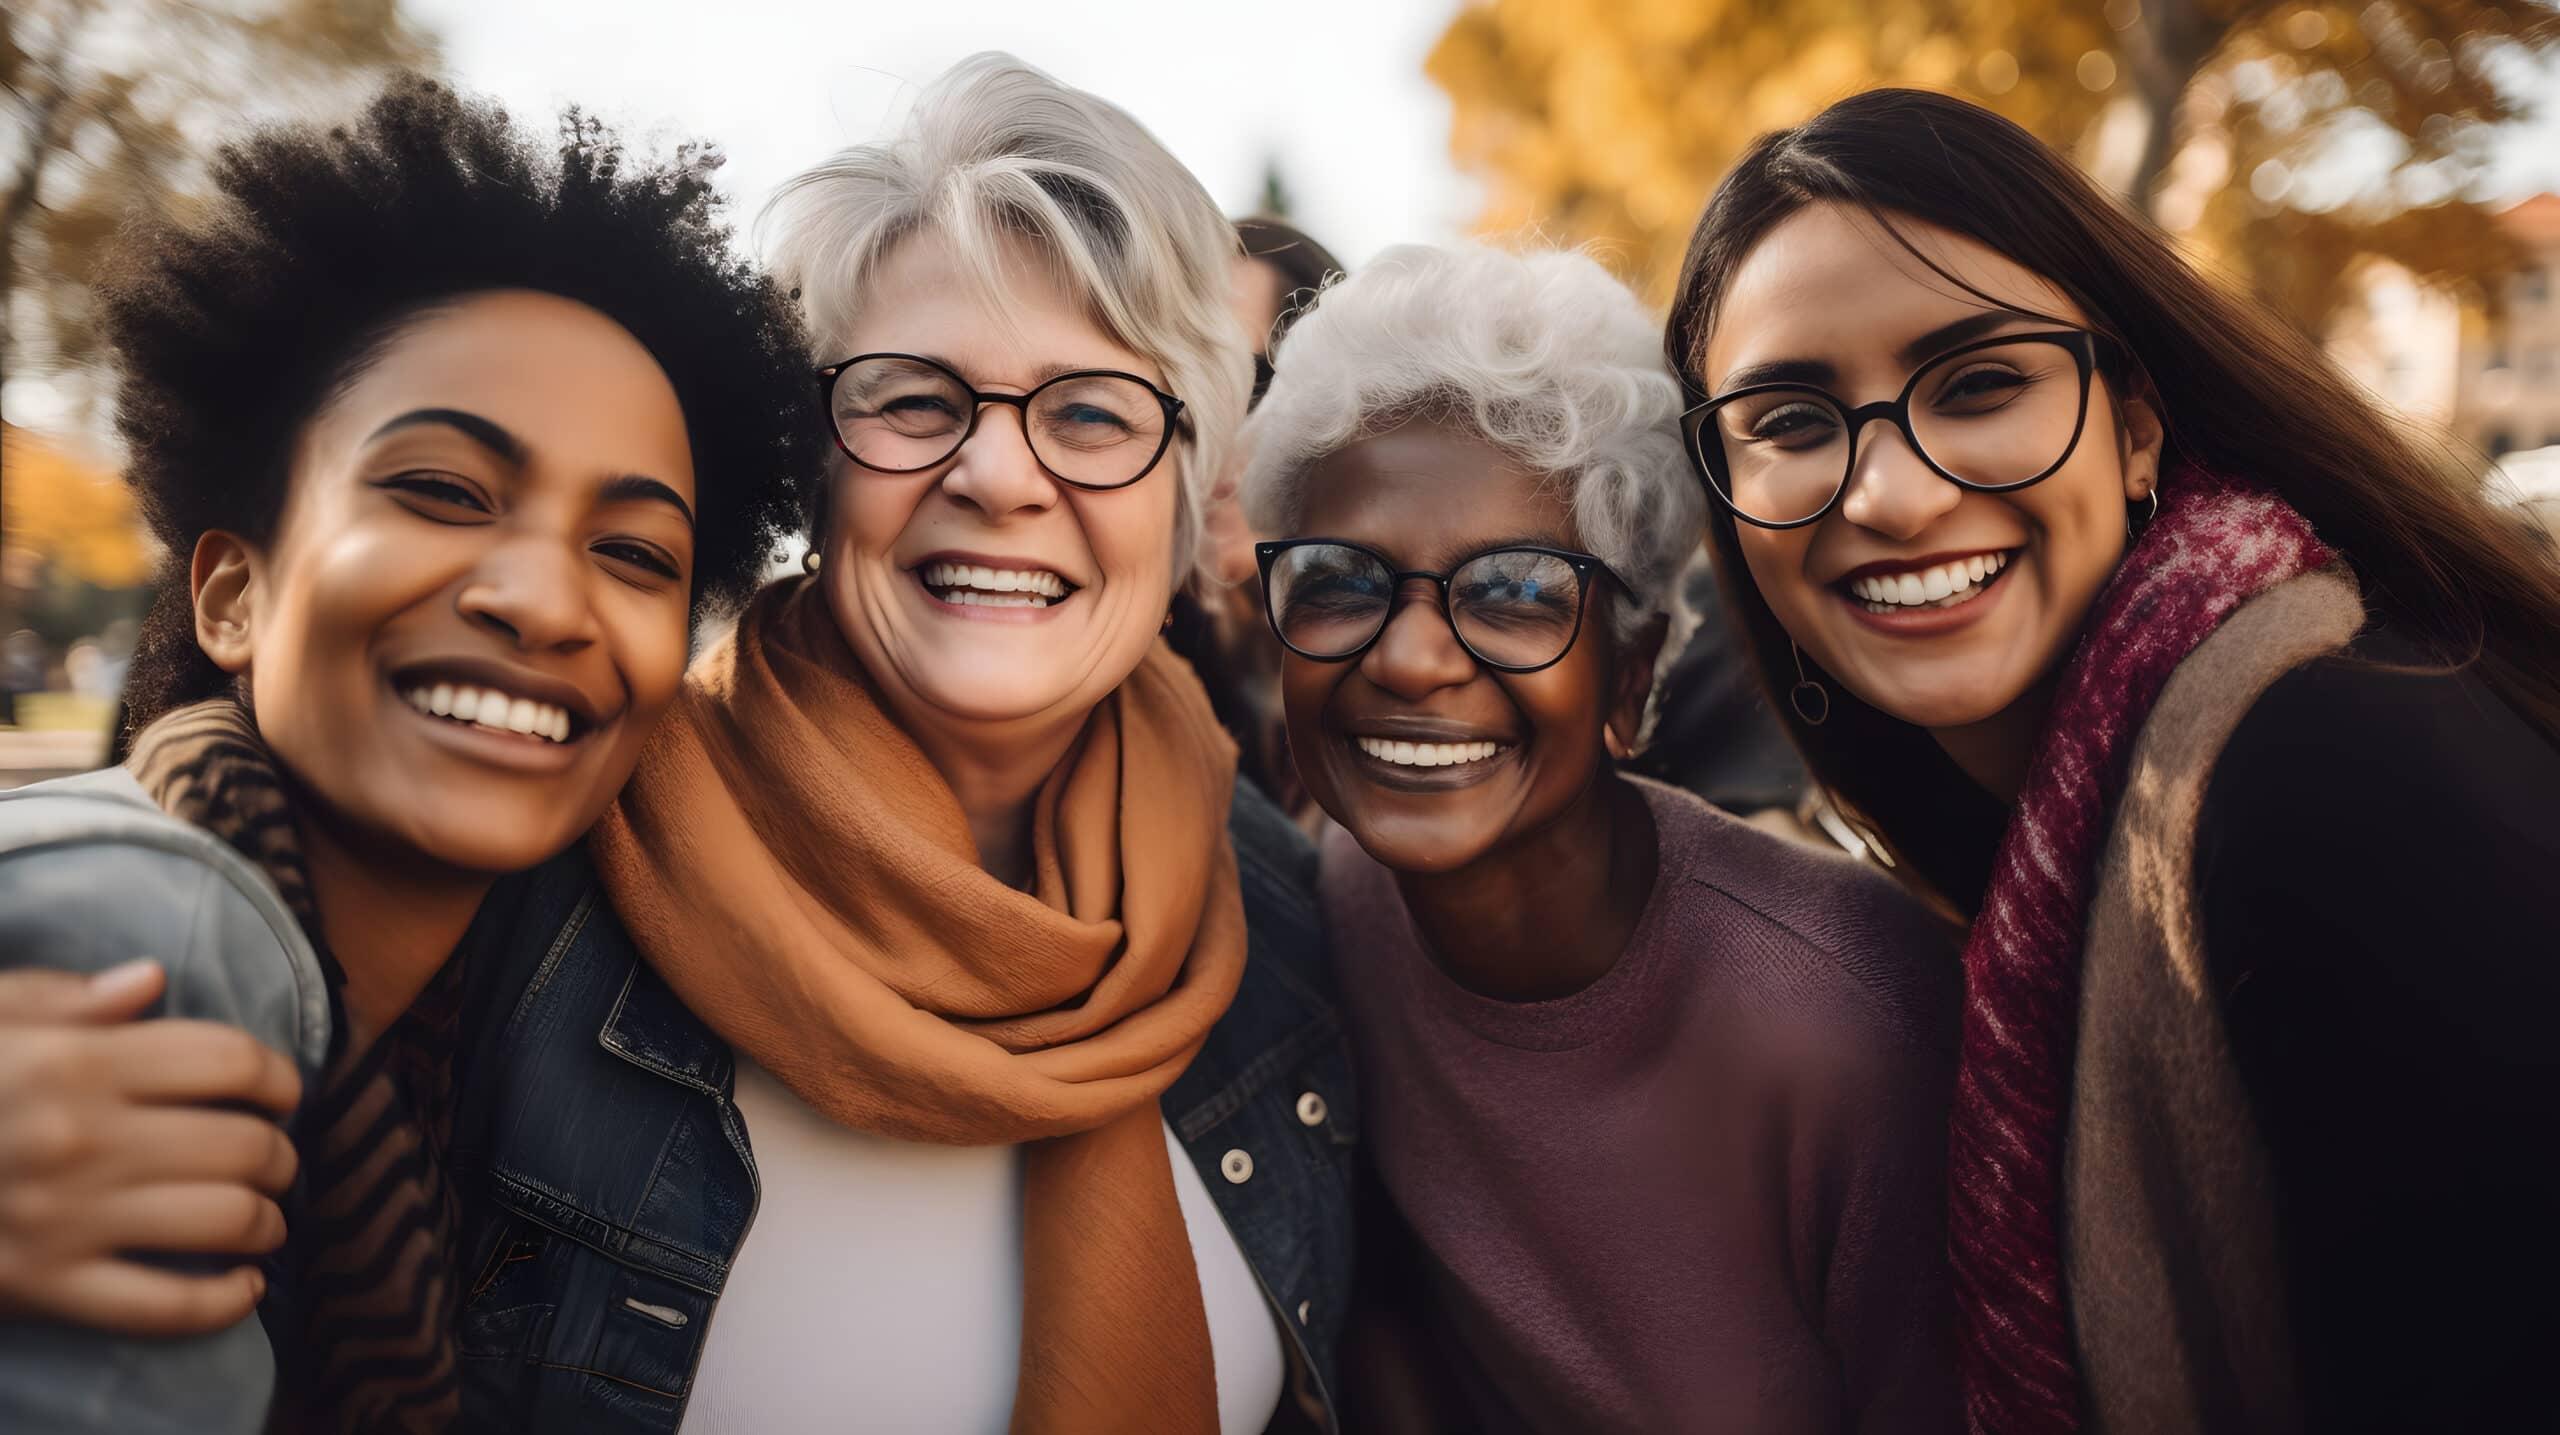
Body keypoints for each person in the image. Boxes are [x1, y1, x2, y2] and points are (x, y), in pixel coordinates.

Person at [435, 54, 1353, 1433]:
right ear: (813, 468)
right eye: (914, 398)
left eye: (1094, 411)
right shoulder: (535, 884)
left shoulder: (1281, 908)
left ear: (1182, 495)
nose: (994, 473)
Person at [1663, 88, 2560, 1435]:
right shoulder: (2086, 828)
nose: (1891, 495)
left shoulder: (2331, 771)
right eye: (1789, 421)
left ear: (2136, 421)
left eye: (1977, 384)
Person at [0, 76, 817, 1434]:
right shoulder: (137, 938)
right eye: (441, 488)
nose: (545, 600)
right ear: (230, 593)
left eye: (633, 552)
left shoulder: (488, 1033)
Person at [1243, 241, 1961, 1433]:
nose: (1411, 658)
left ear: (1630, 678)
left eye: (1516, 591)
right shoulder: (1331, 899)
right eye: (1338, 578)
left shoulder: (1852, 1017)